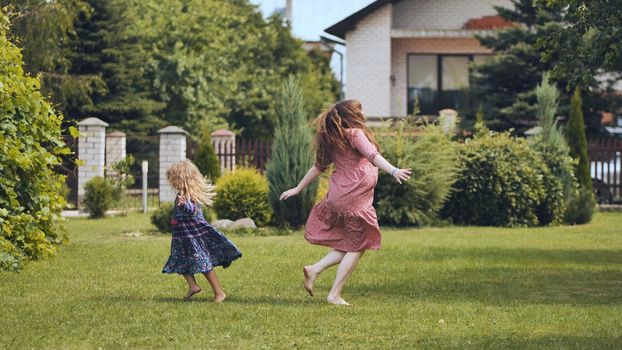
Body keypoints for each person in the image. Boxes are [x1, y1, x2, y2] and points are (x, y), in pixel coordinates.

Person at [280, 100, 411, 305]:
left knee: (351, 242)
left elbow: (318, 167)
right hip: (353, 196)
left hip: (340, 195)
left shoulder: (334, 139)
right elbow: (373, 155)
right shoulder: (354, 134)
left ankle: (314, 269)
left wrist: (298, 188)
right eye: (360, 112)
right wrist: (394, 170)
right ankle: (334, 294)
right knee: (358, 245)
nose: (363, 115)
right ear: (351, 115)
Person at [162, 159, 242, 303]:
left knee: (204, 264)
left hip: (194, 237)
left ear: (182, 179)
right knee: (180, 260)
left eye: (173, 179)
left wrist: (183, 206)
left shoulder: (190, 195)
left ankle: (219, 293)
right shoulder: (181, 194)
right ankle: (193, 286)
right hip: (182, 237)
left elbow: (191, 210)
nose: (171, 183)